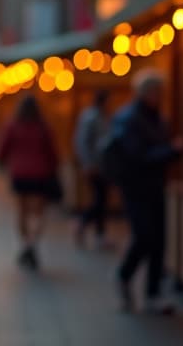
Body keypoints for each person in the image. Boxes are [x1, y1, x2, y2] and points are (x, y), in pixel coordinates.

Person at [113, 70, 183, 315]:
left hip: (155, 185)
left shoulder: (158, 119)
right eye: (156, 92)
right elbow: (137, 156)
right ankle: (124, 276)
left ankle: (153, 292)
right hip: (136, 186)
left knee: (159, 240)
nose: (159, 96)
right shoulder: (130, 119)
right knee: (144, 235)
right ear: (145, 93)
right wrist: (170, 151)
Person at [0, 94, 59, 270]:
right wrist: (54, 167)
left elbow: (2, 148)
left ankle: (25, 244)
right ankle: (33, 243)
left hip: (19, 173)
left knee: (22, 211)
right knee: (38, 212)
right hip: (40, 173)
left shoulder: (13, 125)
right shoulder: (43, 127)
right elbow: (52, 152)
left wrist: (1, 162)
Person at [73, 89, 112, 249]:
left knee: (101, 200)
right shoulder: (92, 117)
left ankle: (99, 234)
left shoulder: (101, 117)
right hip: (95, 166)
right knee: (99, 200)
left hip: (102, 165)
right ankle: (83, 224)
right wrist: (88, 164)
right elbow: (83, 142)